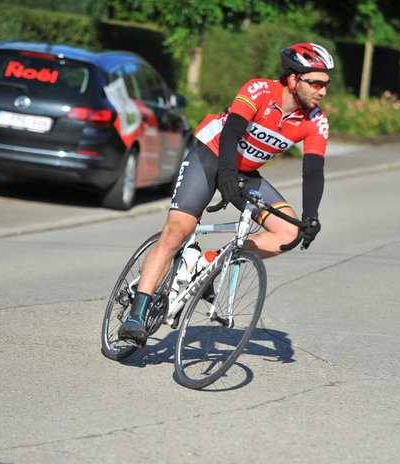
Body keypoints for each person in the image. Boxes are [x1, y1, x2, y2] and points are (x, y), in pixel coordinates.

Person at [118, 43, 334, 346]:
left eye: (327, 84)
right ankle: (136, 315)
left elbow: (313, 171)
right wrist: (227, 173)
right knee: (178, 231)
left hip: (245, 173)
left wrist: (312, 215)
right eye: (316, 82)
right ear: (294, 79)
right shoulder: (260, 90)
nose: (322, 91)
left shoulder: (316, 121)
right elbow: (232, 131)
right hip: (210, 156)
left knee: (288, 233)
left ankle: (208, 262)